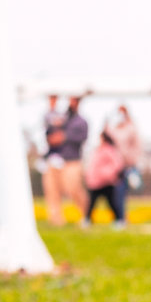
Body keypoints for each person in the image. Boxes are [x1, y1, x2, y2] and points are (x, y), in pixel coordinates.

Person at [106, 104, 143, 228]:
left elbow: (137, 146)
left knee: (121, 193)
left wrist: (132, 161)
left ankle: (121, 219)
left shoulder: (131, 128)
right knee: (114, 194)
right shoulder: (113, 128)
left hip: (127, 166)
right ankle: (119, 218)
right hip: (114, 166)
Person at [82, 128, 126, 225]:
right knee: (92, 203)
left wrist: (106, 174)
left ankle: (119, 220)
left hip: (106, 182)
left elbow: (116, 165)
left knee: (111, 203)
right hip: (95, 182)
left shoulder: (109, 150)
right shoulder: (97, 150)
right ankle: (87, 220)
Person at [58, 96, 90, 219]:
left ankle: (86, 214)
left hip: (75, 160)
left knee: (74, 188)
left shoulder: (81, 121)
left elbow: (83, 138)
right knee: (68, 189)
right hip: (63, 160)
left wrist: (65, 137)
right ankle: (85, 215)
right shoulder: (65, 119)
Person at [40, 95, 69, 225]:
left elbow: (61, 137)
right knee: (50, 190)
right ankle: (54, 217)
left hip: (60, 159)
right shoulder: (46, 116)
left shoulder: (62, 116)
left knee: (59, 189)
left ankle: (59, 217)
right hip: (49, 159)